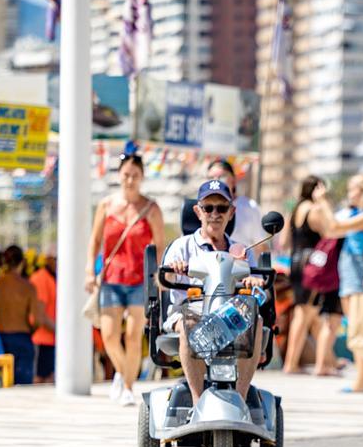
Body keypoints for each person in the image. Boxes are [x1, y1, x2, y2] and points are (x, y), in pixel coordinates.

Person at [161, 180, 261, 404]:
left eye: (221, 208)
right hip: (189, 310)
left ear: (231, 212)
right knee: (189, 323)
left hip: (229, 313)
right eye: (208, 208)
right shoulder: (182, 246)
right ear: (198, 211)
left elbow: (258, 283)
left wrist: (253, 280)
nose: (215, 214)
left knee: (257, 319)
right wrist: (174, 271)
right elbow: (163, 283)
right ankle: (198, 402)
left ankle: (241, 399)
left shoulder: (241, 251)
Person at [85, 153, 165, 405]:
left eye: (135, 175)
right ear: (119, 175)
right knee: (108, 335)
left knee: (132, 335)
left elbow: (160, 246)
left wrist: (158, 276)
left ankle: (128, 387)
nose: (130, 180)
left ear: (142, 178)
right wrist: (90, 269)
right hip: (111, 278)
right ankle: (122, 373)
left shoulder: (151, 209)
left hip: (139, 279)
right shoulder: (106, 205)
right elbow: (95, 240)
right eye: (126, 175)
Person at [283, 176, 363, 375]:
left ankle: (326, 361)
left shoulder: (295, 209)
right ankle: (291, 364)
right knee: (304, 314)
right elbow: (330, 232)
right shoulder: (315, 210)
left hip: (295, 261)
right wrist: (325, 204)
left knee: (308, 316)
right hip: (312, 264)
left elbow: (285, 240)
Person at [337, 174, 363, 393]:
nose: (349, 194)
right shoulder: (354, 213)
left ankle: (361, 380)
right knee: (354, 327)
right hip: (350, 277)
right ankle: (360, 379)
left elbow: (333, 228)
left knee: (361, 328)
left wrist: (322, 202)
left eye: (352, 189)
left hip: (360, 277)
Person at [0, 245, 52, 385]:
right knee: (22, 387)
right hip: (22, 339)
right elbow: (38, 320)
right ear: (22, 263)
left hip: (0, 339)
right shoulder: (28, 288)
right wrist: (30, 331)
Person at [206, 159, 268, 252]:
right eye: (211, 178)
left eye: (222, 177)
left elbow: (260, 245)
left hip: (240, 263)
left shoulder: (250, 207)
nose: (216, 182)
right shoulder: (201, 208)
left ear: (233, 180)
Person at [29, 248, 58, 384]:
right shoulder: (41, 279)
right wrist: (62, 333)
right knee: (40, 380)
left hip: (51, 340)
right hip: (42, 341)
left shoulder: (53, 278)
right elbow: (40, 316)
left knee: (49, 379)